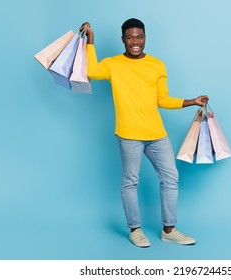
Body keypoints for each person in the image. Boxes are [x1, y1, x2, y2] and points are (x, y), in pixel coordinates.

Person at [80, 18, 208, 248]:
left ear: (145, 38)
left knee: (171, 179)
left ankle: (169, 229)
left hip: (157, 134)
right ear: (123, 40)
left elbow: (162, 100)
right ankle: (135, 229)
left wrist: (192, 101)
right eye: (130, 37)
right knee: (131, 181)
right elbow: (91, 71)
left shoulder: (157, 65)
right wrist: (91, 41)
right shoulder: (113, 64)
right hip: (129, 134)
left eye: (139, 36)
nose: (135, 41)